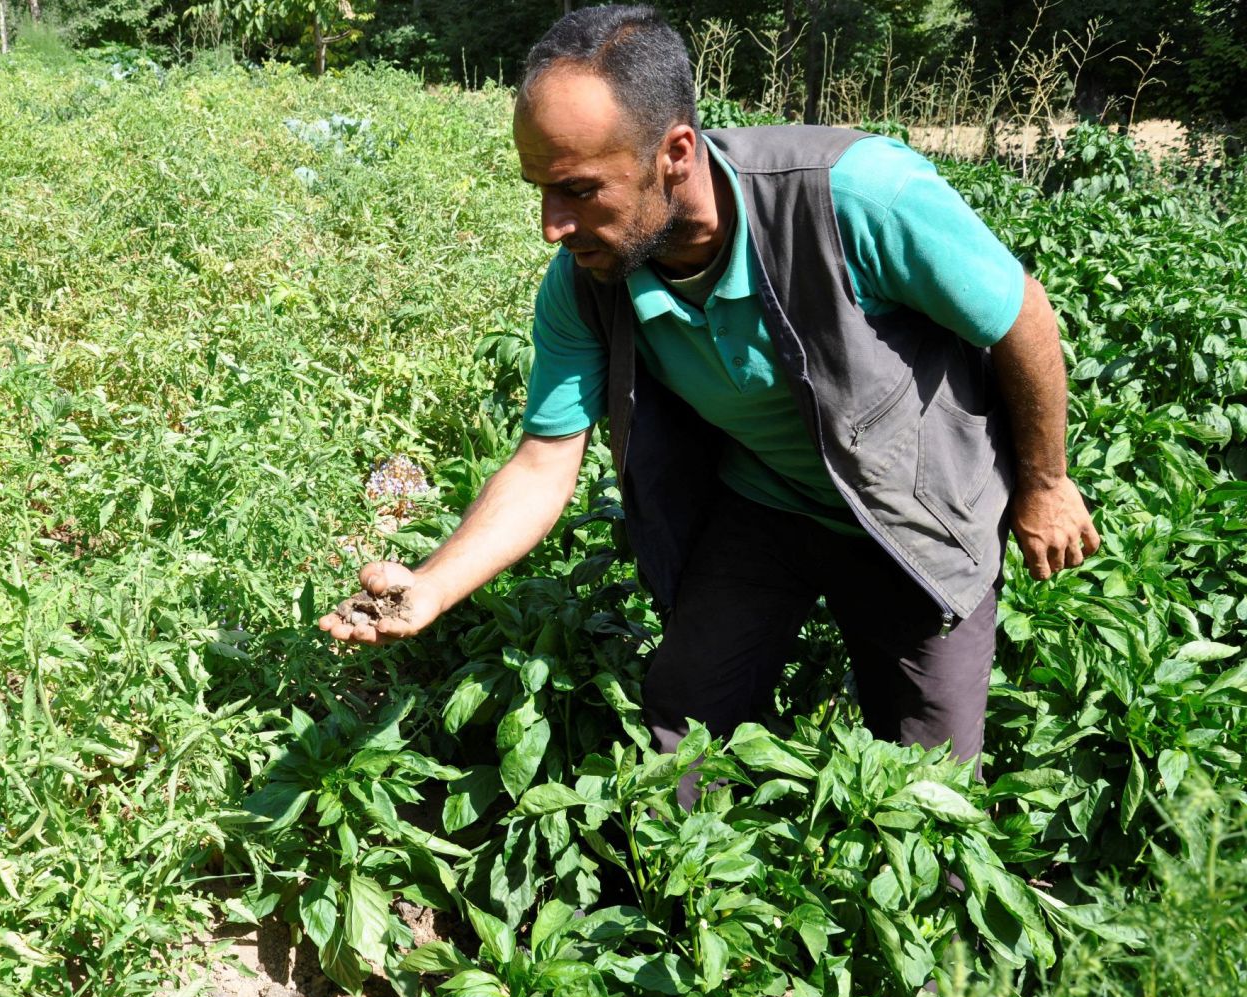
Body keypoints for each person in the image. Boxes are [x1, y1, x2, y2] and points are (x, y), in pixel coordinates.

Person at [319, 5, 1098, 800]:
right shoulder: (590, 279)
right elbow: (544, 460)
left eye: (580, 190)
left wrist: (1044, 482)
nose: (552, 226)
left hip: (917, 509)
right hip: (766, 506)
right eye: (542, 191)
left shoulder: (854, 197)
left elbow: (1021, 315)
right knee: (685, 728)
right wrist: (431, 586)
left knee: (926, 787)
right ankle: (680, 902)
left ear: (676, 154)